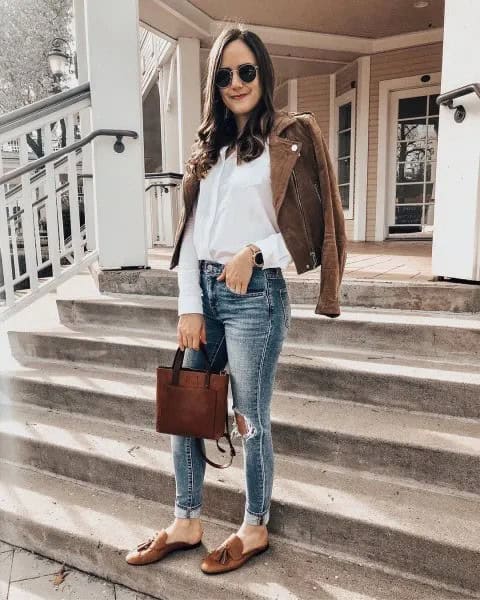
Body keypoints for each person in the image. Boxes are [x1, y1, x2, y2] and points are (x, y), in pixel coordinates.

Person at [126, 24, 346, 574]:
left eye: (246, 70)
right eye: (225, 74)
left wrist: (255, 251)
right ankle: (187, 519)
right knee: (185, 406)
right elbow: (194, 231)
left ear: (263, 74)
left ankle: (254, 525)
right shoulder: (211, 147)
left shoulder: (290, 135)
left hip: (257, 297)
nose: (236, 82)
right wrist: (189, 306)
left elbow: (309, 227)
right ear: (215, 83)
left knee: (249, 417)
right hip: (204, 290)